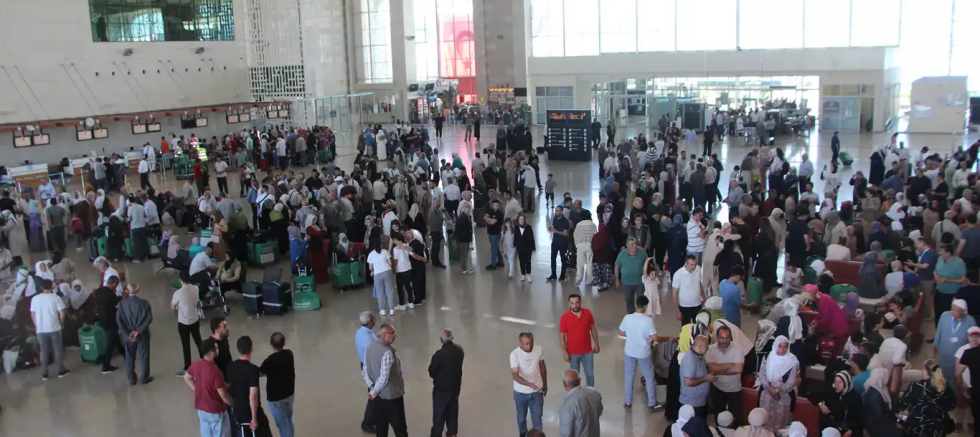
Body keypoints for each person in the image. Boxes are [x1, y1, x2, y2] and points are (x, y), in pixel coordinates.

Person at [619, 295, 672, 411]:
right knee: (649, 377)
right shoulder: (648, 321)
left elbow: (621, 332)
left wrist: (632, 336)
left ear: (635, 305)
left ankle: (628, 401)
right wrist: (668, 338)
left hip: (629, 351)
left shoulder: (628, 317)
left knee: (629, 376)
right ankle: (652, 403)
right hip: (643, 353)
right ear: (646, 307)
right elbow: (656, 338)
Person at [363, 324, 408, 437]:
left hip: (378, 398)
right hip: (392, 398)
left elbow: (365, 369)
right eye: (392, 333)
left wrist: (372, 387)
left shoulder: (369, 347)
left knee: (381, 428)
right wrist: (374, 391)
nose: (395, 336)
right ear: (385, 335)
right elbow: (384, 377)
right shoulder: (387, 352)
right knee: (400, 429)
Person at [184, 338, 234, 437]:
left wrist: (197, 390)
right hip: (216, 411)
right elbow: (223, 395)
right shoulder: (216, 372)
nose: (218, 350)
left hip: (201, 409)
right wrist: (233, 404)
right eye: (216, 348)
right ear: (212, 353)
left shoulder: (197, 364)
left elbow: (187, 377)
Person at [226, 336, 273, 437]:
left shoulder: (230, 367)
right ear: (251, 349)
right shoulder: (252, 369)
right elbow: (253, 396)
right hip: (250, 414)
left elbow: (230, 387)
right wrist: (254, 418)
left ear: (237, 349)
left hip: (238, 411)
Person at [899, 360, 954, 437]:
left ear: (925, 371)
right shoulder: (945, 387)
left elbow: (902, 405)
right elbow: (952, 406)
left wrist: (900, 422)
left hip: (915, 427)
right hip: (937, 428)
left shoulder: (916, 385)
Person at [31, 279, 70, 380]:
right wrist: (61, 322)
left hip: (41, 329)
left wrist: (37, 325)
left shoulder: (35, 299)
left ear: (41, 287)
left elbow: (33, 314)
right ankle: (60, 370)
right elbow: (62, 312)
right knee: (57, 349)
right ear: (51, 287)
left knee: (43, 351)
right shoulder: (55, 297)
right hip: (54, 327)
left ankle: (44, 373)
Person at [757, 336, 798, 431]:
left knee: (780, 422)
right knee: (765, 419)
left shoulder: (793, 360)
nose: (782, 349)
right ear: (775, 345)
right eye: (780, 346)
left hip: (783, 394)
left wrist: (779, 390)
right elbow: (761, 374)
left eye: (785, 347)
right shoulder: (768, 357)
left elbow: (792, 380)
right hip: (767, 392)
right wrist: (769, 388)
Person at [428, 329, 464, 437]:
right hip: (455, 389)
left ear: (441, 340)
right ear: (452, 338)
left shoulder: (439, 355)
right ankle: (452, 434)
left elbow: (432, 372)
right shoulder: (459, 351)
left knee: (439, 416)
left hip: (441, 391)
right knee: (452, 414)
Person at [706, 324, 744, 427]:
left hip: (734, 389)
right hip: (717, 388)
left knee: (737, 419)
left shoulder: (738, 349)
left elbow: (739, 369)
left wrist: (718, 369)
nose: (725, 341)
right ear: (717, 337)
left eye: (727, 338)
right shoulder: (711, 349)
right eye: (722, 338)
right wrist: (730, 365)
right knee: (719, 417)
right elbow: (711, 369)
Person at [511, 332, 547, 437]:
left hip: (537, 391)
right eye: (526, 344)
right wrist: (528, 384)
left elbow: (542, 367)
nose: (529, 346)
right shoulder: (514, 355)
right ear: (520, 343)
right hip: (520, 393)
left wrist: (545, 384)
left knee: (537, 418)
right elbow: (515, 375)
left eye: (531, 343)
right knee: (521, 419)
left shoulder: (538, 349)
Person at [559, 294, 599, 388]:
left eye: (577, 303)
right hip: (573, 353)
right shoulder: (565, 317)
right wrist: (565, 352)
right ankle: (576, 394)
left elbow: (592, 329)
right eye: (572, 303)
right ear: (569, 304)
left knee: (590, 376)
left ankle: (590, 393)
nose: (575, 305)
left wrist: (596, 344)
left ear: (580, 302)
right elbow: (562, 336)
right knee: (574, 379)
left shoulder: (587, 313)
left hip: (587, 351)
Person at [260, 332, 295, 437]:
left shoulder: (269, 361)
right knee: (288, 420)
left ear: (271, 344)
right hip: (289, 393)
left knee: (283, 424)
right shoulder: (289, 354)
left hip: (276, 398)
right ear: (284, 343)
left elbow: (260, 373)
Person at [117, 283, 153, 385]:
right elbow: (149, 318)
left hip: (128, 336)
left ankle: (132, 379)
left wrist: (128, 332)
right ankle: (144, 377)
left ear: (127, 291)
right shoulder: (144, 303)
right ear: (138, 290)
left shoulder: (121, 304)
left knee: (129, 356)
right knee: (144, 355)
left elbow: (119, 320)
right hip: (142, 334)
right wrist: (138, 331)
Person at [936, 299, 977, 387]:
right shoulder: (945, 316)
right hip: (944, 355)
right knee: (944, 376)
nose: (953, 312)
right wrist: (935, 345)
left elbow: (974, 340)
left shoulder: (970, 321)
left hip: (959, 357)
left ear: (963, 311)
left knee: (958, 378)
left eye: (956, 310)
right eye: (952, 309)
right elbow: (939, 332)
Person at [173, 271, 202, 377]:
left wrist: (178, 307)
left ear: (180, 280)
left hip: (183, 323)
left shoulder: (178, 293)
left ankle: (187, 367)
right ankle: (205, 361)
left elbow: (172, 306)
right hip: (194, 319)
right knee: (198, 341)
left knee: (186, 345)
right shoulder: (196, 288)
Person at [558, 369, 603, 437]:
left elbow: (566, 434)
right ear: (579, 380)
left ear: (564, 384)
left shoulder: (568, 405)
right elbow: (599, 411)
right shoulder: (594, 393)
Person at [817, 371, 863, 437]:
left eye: (840, 382)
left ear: (846, 383)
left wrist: (850, 430)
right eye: (835, 381)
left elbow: (858, 420)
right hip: (832, 426)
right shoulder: (831, 392)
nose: (837, 385)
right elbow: (812, 395)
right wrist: (820, 404)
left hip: (848, 429)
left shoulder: (855, 397)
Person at [681, 331, 715, 418]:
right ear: (700, 346)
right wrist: (706, 379)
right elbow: (688, 382)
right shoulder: (690, 359)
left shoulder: (698, 356)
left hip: (699, 401)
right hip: (692, 403)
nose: (708, 349)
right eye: (706, 347)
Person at [862, 368, 903, 437]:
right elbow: (880, 416)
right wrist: (895, 424)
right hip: (877, 424)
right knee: (899, 432)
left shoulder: (883, 389)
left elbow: (893, 406)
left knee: (905, 422)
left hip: (887, 418)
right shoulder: (873, 394)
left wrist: (900, 418)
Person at [94, 276, 121, 373]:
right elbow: (117, 304)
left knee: (115, 339)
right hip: (110, 320)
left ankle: (126, 355)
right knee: (110, 343)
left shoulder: (98, 291)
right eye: (116, 285)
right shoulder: (110, 293)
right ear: (114, 284)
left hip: (101, 320)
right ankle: (106, 366)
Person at [936, 243, 968, 326]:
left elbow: (963, 279)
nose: (939, 253)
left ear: (948, 253)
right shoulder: (940, 258)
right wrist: (936, 276)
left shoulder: (959, 263)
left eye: (942, 251)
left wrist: (947, 280)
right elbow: (935, 270)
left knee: (950, 315)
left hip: (952, 294)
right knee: (938, 313)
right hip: (939, 291)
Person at [615, 237, 648, 313]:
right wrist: (617, 279)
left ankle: (641, 314)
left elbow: (648, 265)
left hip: (640, 282)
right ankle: (631, 314)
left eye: (635, 243)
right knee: (629, 299)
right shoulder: (622, 254)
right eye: (632, 244)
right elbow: (617, 266)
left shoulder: (642, 253)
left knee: (641, 299)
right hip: (627, 282)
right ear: (627, 246)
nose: (634, 246)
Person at [367, 233, 396, 316]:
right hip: (387, 272)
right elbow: (390, 263)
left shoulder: (371, 254)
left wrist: (372, 270)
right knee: (390, 291)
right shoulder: (385, 252)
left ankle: (382, 310)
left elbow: (370, 268)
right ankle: (391, 310)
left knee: (380, 292)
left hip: (377, 274)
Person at [673, 255, 706, 324]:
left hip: (697, 304)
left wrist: (703, 297)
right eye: (691, 265)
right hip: (685, 306)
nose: (694, 267)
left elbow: (699, 283)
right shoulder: (678, 274)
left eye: (695, 264)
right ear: (686, 263)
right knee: (685, 327)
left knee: (698, 326)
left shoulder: (698, 268)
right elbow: (674, 293)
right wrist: (677, 310)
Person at [548, 205, 570, 282]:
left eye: (557, 211)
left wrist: (555, 231)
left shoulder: (565, 221)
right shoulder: (555, 218)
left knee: (563, 259)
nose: (556, 212)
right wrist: (551, 229)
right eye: (555, 210)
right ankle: (553, 274)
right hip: (555, 242)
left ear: (561, 212)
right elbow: (553, 227)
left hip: (562, 243)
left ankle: (562, 274)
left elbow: (566, 233)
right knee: (553, 258)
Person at [515, 214, 536, 282]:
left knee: (528, 261)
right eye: (520, 219)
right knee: (521, 261)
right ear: (518, 220)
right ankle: (523, 274)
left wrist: (533, 247)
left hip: (527, 247)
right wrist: (515, 245)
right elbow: (515, 237)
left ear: (525, 220)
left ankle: (528, 273)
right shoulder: (516, 227)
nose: (521, 220)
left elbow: (531, 237)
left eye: (523, 219)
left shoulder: (528, 227)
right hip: (520, 248)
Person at [485, 199, 504, 270]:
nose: (496, 207)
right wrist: (490, 220)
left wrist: (488, 220)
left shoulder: (500, 214)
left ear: (499, 206)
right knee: (495, 247)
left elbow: (493, 222)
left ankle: (493, 265)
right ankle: (501, 261)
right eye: (494, 205)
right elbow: (484, 217)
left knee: (493, 249)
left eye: (497, 205)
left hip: (496, 233)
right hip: (490, 232)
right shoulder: (490, 211)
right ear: (492, 205)